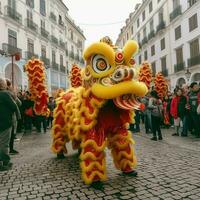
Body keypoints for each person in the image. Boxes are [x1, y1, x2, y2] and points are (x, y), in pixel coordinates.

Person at [0, 78, 18, 171]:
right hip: (5, 122)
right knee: (4, 144)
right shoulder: (4, 94)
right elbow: (14, 106)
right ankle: (5, 162)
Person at [6, 79, 21, 154]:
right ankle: (10, 150)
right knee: (10, 134)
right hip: (11, 117)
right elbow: (19, 103)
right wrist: (15, 96)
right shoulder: (9, 93)